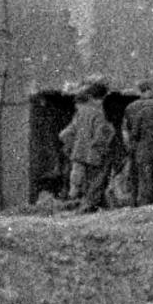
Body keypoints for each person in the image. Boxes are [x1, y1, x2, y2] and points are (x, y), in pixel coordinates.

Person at [60, 82, 116, 212]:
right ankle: (88, 208)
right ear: (98, 99)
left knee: (79, 184)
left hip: (78, 154)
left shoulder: (79, 114)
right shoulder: (98, 114)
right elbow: (100, 136)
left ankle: (82, 206)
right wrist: (102, 149)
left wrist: (72, 147)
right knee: (97, 182)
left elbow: (64, 134)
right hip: (94, 155)